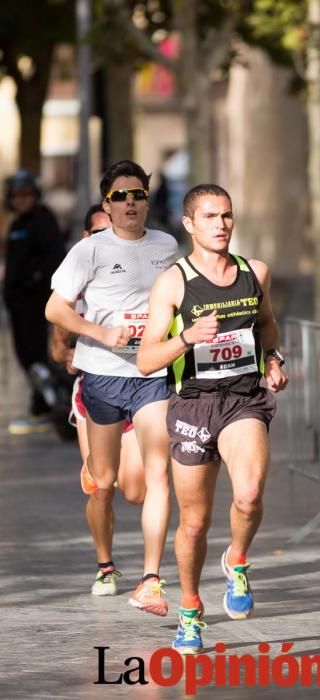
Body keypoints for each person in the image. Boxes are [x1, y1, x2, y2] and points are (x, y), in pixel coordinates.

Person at [137, 184, 288, 654]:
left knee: (247, 494)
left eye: (226, 215)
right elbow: (146, 360)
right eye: (209, 217)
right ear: (189, 224)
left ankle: (237, 560)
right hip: (194, 403)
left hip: (243, 399)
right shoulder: (173, 283)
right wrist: (187, 339)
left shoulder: (254, 272)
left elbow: (266, 325)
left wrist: (274, 359)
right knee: (195, 523)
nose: (220, 224)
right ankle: (190, 611)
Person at [45, 160, 178, 612]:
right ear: (107, 203)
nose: (130, 203)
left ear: (147, 199)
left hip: (151, 376)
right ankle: (105, 564)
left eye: (138, 194)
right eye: (120, 196)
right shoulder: (89, 250)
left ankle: (151, 580)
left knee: (147, 484)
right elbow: (54, 310)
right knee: (104, 483)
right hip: (101, 375)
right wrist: (102, 334)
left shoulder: (166, 245)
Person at [49, 204, 146, 590]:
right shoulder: (76, 282)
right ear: (88, 237)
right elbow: (58, 347)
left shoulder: (142, 273)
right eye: (102, 231)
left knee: (137, 491)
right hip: (94, 389)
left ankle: (116, 465)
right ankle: (105, 565)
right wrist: (69, 355)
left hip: (140, 384)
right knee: (102, 487)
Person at [3, 170, 66, 434]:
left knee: (37, 355)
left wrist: (33, 282)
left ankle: (47, 406)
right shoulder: (17, 225)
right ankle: (42, 403)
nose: (21, 200)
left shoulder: (44, 220)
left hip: (37, 302)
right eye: (16, 195)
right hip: (18, 305)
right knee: (25, 356)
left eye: (26, 194)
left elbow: (54, 259)